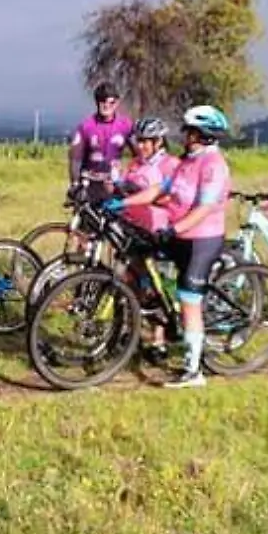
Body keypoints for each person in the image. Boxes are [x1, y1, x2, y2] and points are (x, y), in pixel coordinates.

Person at [156, 105, 233, 389]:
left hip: (203, 238)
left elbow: (203, 208)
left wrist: (174, 229)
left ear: (203, 134)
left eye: (189, 131)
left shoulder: (214, 165)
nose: (184, 135)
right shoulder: (186, 161)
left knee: (189, 300)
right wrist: (124, 200)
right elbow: (162, 191)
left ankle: (193, 371)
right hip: (182, 235)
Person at [117, 116, 182, 361]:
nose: (141, 146)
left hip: (159, 229)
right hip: (133, 229)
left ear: (158, 142)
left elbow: (173, 197)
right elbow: (123, 187)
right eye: (139, 141)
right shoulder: (135, 164)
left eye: (146, 141)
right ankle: (130, 332)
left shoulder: (171, 165)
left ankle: (158, 340)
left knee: (160, 285)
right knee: (131, 281)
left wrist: (148, 197)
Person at [68, 83, 131, 203]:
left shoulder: (126, 125)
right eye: (102, 101)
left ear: (117, 103)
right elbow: (75, 158)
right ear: (96, 102)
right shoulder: (86, 126)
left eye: (111, 102)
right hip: (89, 183)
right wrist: (75, 183)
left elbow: (140, 153)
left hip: (114, 184)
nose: (107, 105)